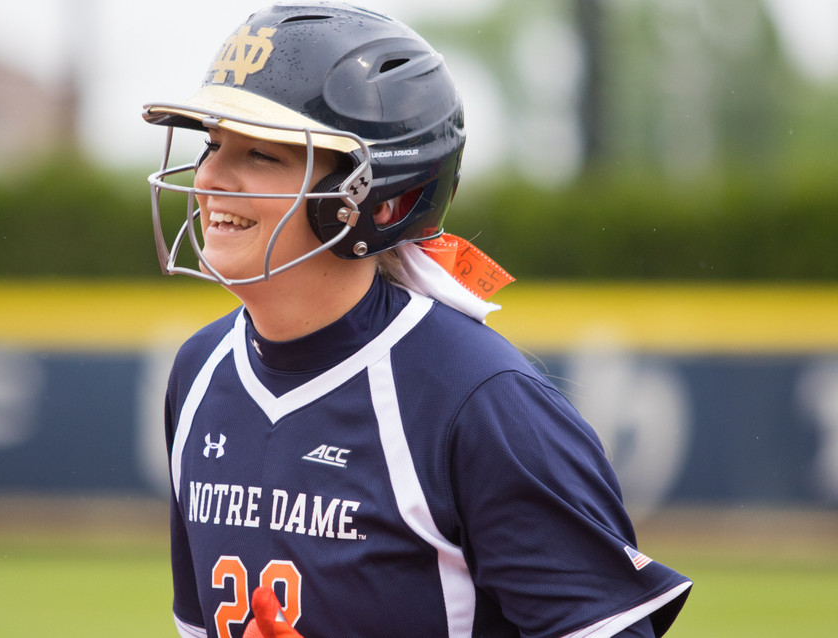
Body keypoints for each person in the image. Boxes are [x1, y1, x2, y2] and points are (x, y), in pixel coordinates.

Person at [142, 3, 691, 637]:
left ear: (383, 199)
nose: (209, 176)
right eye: (213, 144)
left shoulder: (481, 403)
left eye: (261, 155)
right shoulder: (200, 373)